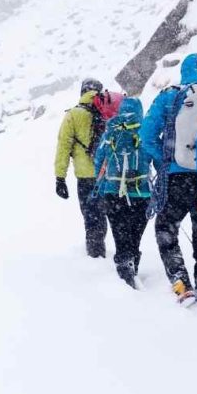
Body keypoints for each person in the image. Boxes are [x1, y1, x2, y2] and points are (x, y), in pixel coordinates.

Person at [140, 53, 197, 307]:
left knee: (166, 231)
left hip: (174, 180)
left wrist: (164, 160)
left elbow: (146, 135)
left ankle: (181, 284)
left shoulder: (169, 96)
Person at [54, 79, 122, 258]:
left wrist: (60, 178)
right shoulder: (110, 110)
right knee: (112, 217)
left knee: (92, 218)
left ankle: (96, 256)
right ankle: (123, 256)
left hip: (86, 177)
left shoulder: (74, 115)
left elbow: (63, 148)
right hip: (109, 174)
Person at [93, 97, 153, 288]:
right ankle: (132, 263)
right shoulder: (146, 130)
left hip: (114, 192)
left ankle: (124, 269)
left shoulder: (111, 131)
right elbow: (157, 157)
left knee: (120, 234)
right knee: (135, 235)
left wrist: (102, 188)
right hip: (141, 193)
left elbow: (99, 161)